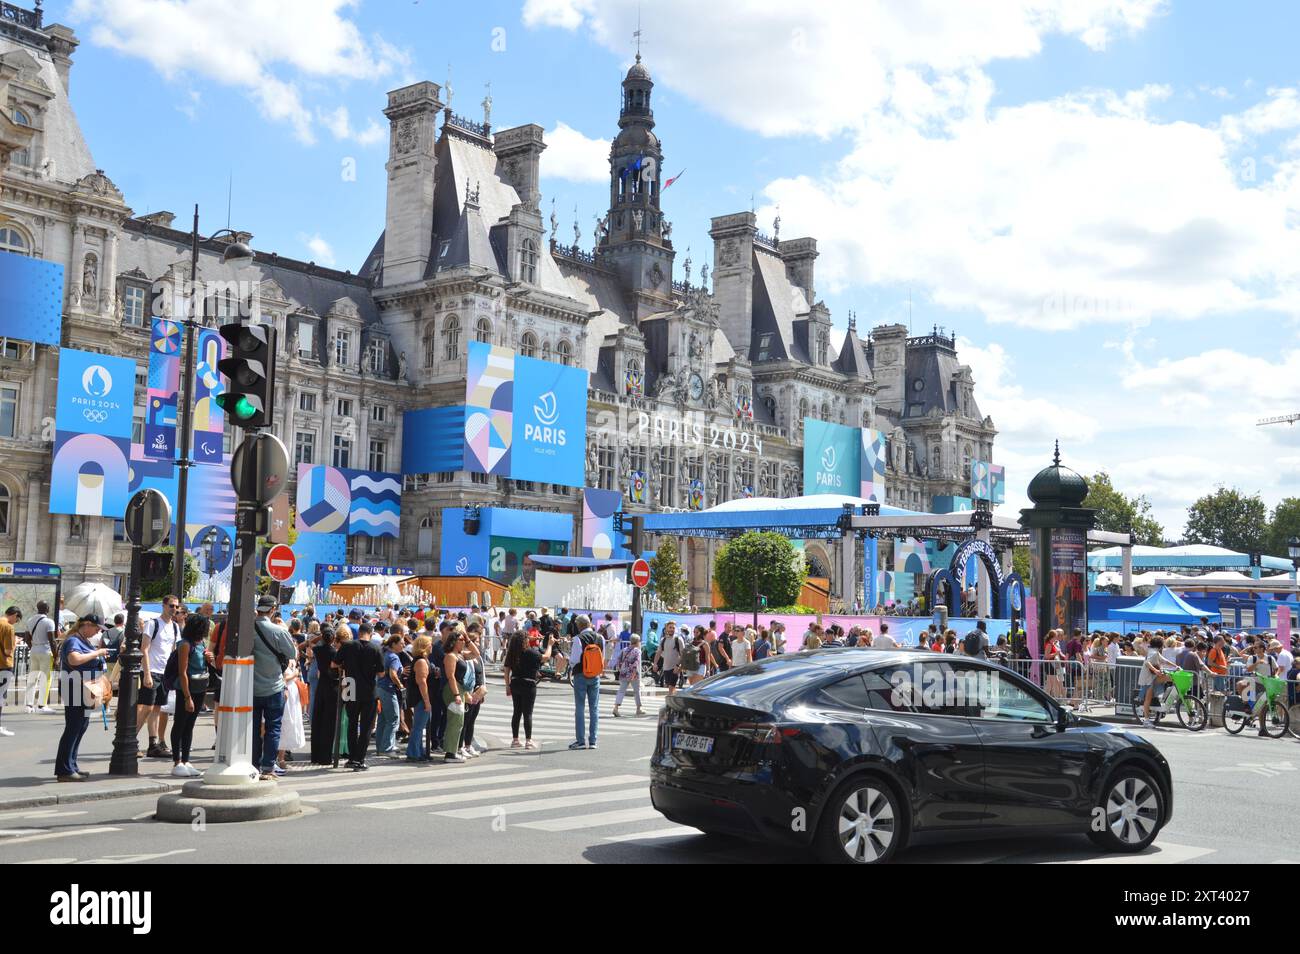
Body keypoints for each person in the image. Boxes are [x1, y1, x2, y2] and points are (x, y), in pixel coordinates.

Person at [55, 615, 109, 781]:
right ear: (86, 625)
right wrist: (97, 653)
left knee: (81, 726)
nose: (98, 632)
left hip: (83, 689)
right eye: (97, 628)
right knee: (73, 727)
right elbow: (74, 659)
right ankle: (64, 770)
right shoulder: (73, 640)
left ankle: (72, 765)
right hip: (74, 688)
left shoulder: (83, 640)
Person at [250, 596, 296, 781]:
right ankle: (268, 767)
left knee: (252, 729)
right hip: (274, 686)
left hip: (251, 687)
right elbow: (291, 653)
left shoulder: (248, 629)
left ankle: (252, 764)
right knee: (273, 728)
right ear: (272, 609)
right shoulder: (278, 631)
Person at [137, 596, 181, 758]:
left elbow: (174, 650)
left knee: (157, 708)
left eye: (176, 607)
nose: (174, 609)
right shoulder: (153, 624)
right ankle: (131, 740)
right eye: (171, 606)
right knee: (147, 707)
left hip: (165, 673)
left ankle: (153, 744)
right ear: (163, 606)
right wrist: (147, 673)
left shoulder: (175, 627)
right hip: (152, 671)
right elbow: (144, 649)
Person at [337, 616, 383, 771]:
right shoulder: (376, 648)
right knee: (366, 726)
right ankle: (360, 759)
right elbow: (381, 673)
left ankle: (351, 757)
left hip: (350, 687)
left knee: (351, 723)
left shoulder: (348, 646)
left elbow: (334, 663)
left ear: (359, 633)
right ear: (370, 633)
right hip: (369, 690)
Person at [169, 614, 213, 778]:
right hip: (186, 689)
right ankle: (177, 761)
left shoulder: (200, 643)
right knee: (180, 724)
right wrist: (187, 697)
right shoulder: (185, 645)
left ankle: (186, 760)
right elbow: (182, 672)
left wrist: (210, 659)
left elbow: (207, 665)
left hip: (200, 688)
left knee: (190, 725)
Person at [504, 631, 548, 749]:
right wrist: (550, 645)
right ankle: (528, 741)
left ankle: (515, 740)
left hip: (515, 682)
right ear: (525, 640)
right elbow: (545, 657)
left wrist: (507, 685)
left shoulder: (512, 653)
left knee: (516, 712)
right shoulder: (531, 652)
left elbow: (507, 669)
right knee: (527, 713)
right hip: (528, 683)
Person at [569, 615, 603, 750]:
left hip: (581, 675)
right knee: (594, 708)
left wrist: (571, 668)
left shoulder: (578, 638)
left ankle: (581, 741)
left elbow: (574, 659)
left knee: (580, 707)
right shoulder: (600, 638)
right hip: (595, 675)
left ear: (579, 625)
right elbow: (602, 657)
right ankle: (593, 740)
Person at [311, 625, 344, 765]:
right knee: (329, 722)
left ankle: (316, 755)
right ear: (333, 639)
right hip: (333, 685)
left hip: (321, 685)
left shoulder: (318, 650)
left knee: (317, 719)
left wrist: (321, 635)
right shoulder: (334, 652)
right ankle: (325, 757)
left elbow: (311, 642)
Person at [441, 627, 470, 763]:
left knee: (459, 721)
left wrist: (466, 637)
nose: (463, 642)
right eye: (460, 640)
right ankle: (450, 753)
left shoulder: (460, 654)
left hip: (459, 689)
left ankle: (453, 750)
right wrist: (457, 694)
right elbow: (451, 676)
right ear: (453, 641)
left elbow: (476, 654)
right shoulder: (450, 656)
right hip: (453, 689)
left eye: (463, 640)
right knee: (455, 721)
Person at [24, 599, 58, 713]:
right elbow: (52, 641)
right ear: (47, 609)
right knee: (45, 678)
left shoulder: (30, 620)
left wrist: (33, 647)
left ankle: (29, 705)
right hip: (45, 651)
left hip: (34, 650)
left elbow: (27, 638)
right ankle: (41, 705)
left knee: (32, 677)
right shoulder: (49, 622)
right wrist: (56, 657)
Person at [375, 634, 405, 757]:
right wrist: (401, 685)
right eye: (401, 643)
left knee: (383, 719)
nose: (403, 645)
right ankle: (386, 748)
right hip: (388, 689)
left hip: (380, 688)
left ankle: (382, 746)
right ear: (393, 644)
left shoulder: (385, 654)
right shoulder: (394, 657)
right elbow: (393, 674)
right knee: (393, 718)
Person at [407, 635, 435, 760]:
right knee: (418, 727)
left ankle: (418, 751)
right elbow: (422, 682)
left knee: (419, 726)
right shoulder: (421, 661)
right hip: (421, 698)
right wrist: (427, 701)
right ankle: (413, 753)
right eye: (430, 644)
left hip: (421, 698)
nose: (431, 646)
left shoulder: (422, 660)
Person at [278, 653, 306, 773]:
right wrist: (294, 675)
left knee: (288, 725)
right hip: (286, 695)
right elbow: (282, 679)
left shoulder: (293, 662)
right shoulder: (283, 662)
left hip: (293, 696)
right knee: (283, 724)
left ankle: (281, 758)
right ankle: (279, 759)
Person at [1138, 635, 1175, 726]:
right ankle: (1146, 720)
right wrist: (1156, 670)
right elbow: (1147, 662)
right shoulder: (1153, 652)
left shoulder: (1155, 651)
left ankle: (1163, 697)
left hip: (1152, 676)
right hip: (1148, 678)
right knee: (1148, 698)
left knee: (1169, 677)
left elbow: (1164, 660)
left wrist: (1175, 666)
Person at [461, 625, 486, 757]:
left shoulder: (479, 658)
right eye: (476, 641)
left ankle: (468, 745)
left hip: (478, 692)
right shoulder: (467, 656)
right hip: (469, 692)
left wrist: (483, 690)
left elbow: (482, 675)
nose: (478, 643)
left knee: (472, 721)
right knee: (465, 720)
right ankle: (462, 747)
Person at [612, 634, 644, 718]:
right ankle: (638, 709)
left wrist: (620, 668)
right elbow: (636, 662)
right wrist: (633, 673)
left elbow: (618, 660)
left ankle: (616, 708)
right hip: (633, 673)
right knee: (636, 691)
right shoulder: (637, 651)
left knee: (621, 690)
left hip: (623, 672)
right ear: (637, 642)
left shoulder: (625, 649)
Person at [0, 606, 19, 737]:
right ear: (15, 615)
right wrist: (16, 642)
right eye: (17, 619)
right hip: (4, 665)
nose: (15, 622)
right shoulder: (8, 627)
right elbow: (8, 650)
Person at [653, 621, 684, 694]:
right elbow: (658, 653)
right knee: (670, 687)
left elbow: (683, 654)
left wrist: (678, 666)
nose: (671, 629)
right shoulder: (663, 640)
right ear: (666, 628)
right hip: (666, 668)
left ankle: (670, 703)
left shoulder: (678, 639)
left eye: (673, 628)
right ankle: (675, 700)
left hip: (675, 668)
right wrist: (655, 663)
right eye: (670, 627)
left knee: (671, 688)